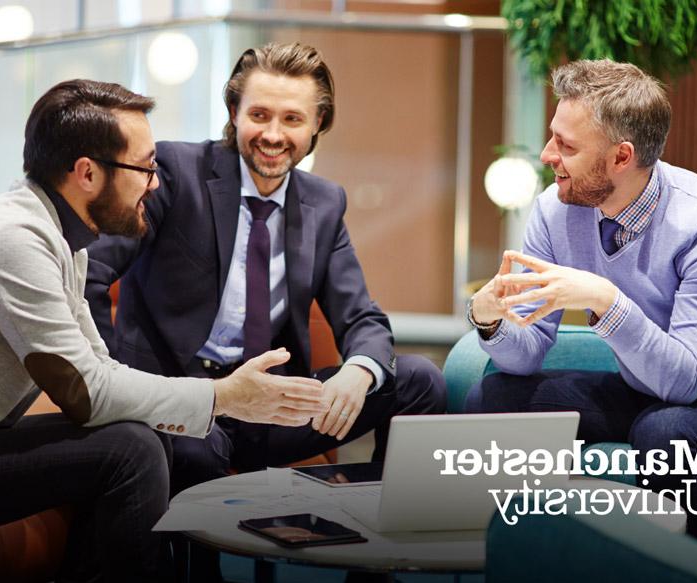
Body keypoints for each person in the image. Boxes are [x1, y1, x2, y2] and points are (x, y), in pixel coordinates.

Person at [0, 79, 328, 582]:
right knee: (131, 449)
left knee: (142, 435)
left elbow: (98, 368)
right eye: (145, 167)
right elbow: (85, 392)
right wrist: (224, 397)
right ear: (87, 174)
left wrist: (216, 398)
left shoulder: (62, 234)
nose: (155, 182)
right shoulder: (12, 240)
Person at [85, 42, 446, 497]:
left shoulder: (324, 203)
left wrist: (359, 369)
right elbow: (88, 273)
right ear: (234, 111)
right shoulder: (175, 172)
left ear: (318, 124)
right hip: (182, 401)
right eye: (259, 115)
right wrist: (119, 384)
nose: (273, 135)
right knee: (200, 451)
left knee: (419, 381)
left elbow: (361, 318)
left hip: (271, 404)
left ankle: (382, 556)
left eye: (292, 119)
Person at [464, 59, 697, 536]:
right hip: (642, 382)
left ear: (621, 156)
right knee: (490, 397)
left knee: (665, 435)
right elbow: (525, 356)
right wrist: (490, 320)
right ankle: (514, 552)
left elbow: (685, 384)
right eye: (554, 136)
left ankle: (678, 571)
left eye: (567, 146)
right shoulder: (555, 209)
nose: (548, 154)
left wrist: (606, 301)